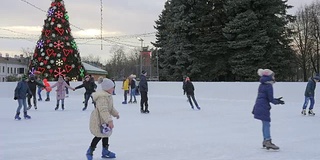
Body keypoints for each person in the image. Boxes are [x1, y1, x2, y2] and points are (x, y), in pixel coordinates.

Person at [86, 77, 120, 160]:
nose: (113, 89)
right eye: (112, 87)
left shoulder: (108, 96)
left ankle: (105, 151)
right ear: (107, 88)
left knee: (105, 134)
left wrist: (116, 114)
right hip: (99, 119)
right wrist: (109, 120)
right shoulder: (102, 97)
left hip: (105, 118)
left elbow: (110, 108)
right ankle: (90, 151)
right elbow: (103, 110)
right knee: (98, 135)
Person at [252, 68, 285, 150]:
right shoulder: (269, 85)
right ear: (270, 77)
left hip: (259, 105)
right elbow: (270, 99)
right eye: (273, 76)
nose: (274, 77)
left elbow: (265, 96)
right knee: (266, 124)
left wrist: (275, 100)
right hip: (263, 107)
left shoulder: (262, 84)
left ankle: (265, 140)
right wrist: (277, 101)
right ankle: (267, 141)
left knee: (265, 123)